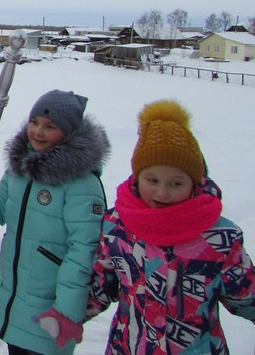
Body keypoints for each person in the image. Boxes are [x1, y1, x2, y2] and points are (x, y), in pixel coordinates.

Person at [85, 99, 255, 354]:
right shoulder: (116, 228)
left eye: (176, 183)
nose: (162, 192)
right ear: (137, 177)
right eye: (152, 180)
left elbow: (245, 295)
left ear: (195, 183)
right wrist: (66, 314)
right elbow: (99, 286)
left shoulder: (219, 238)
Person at [0, 89, 110, 355]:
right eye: (34, 122)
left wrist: (68, 312)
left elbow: (84, 251)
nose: (38, 131)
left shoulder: (81, 184)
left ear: (69, 133)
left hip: (51, 308)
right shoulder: (22, 166)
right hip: (15, 296)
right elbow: (3, 204)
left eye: (50, 126)